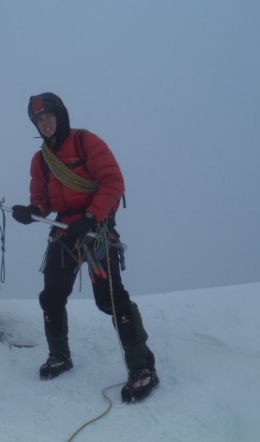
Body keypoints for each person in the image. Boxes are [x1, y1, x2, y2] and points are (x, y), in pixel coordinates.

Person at [11, 92, 159, 403]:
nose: (44, 122)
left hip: (97, 231)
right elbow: (43, 202)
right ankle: (59, 356)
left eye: (48, 115)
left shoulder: (85, 142)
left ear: (60, 115)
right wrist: (31, 213)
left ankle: (143, 367)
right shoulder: (41, 160)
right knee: (51, 295)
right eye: (38, 119)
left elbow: (113, 182)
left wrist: (91, 216)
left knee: (111, 300)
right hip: (65, 232)